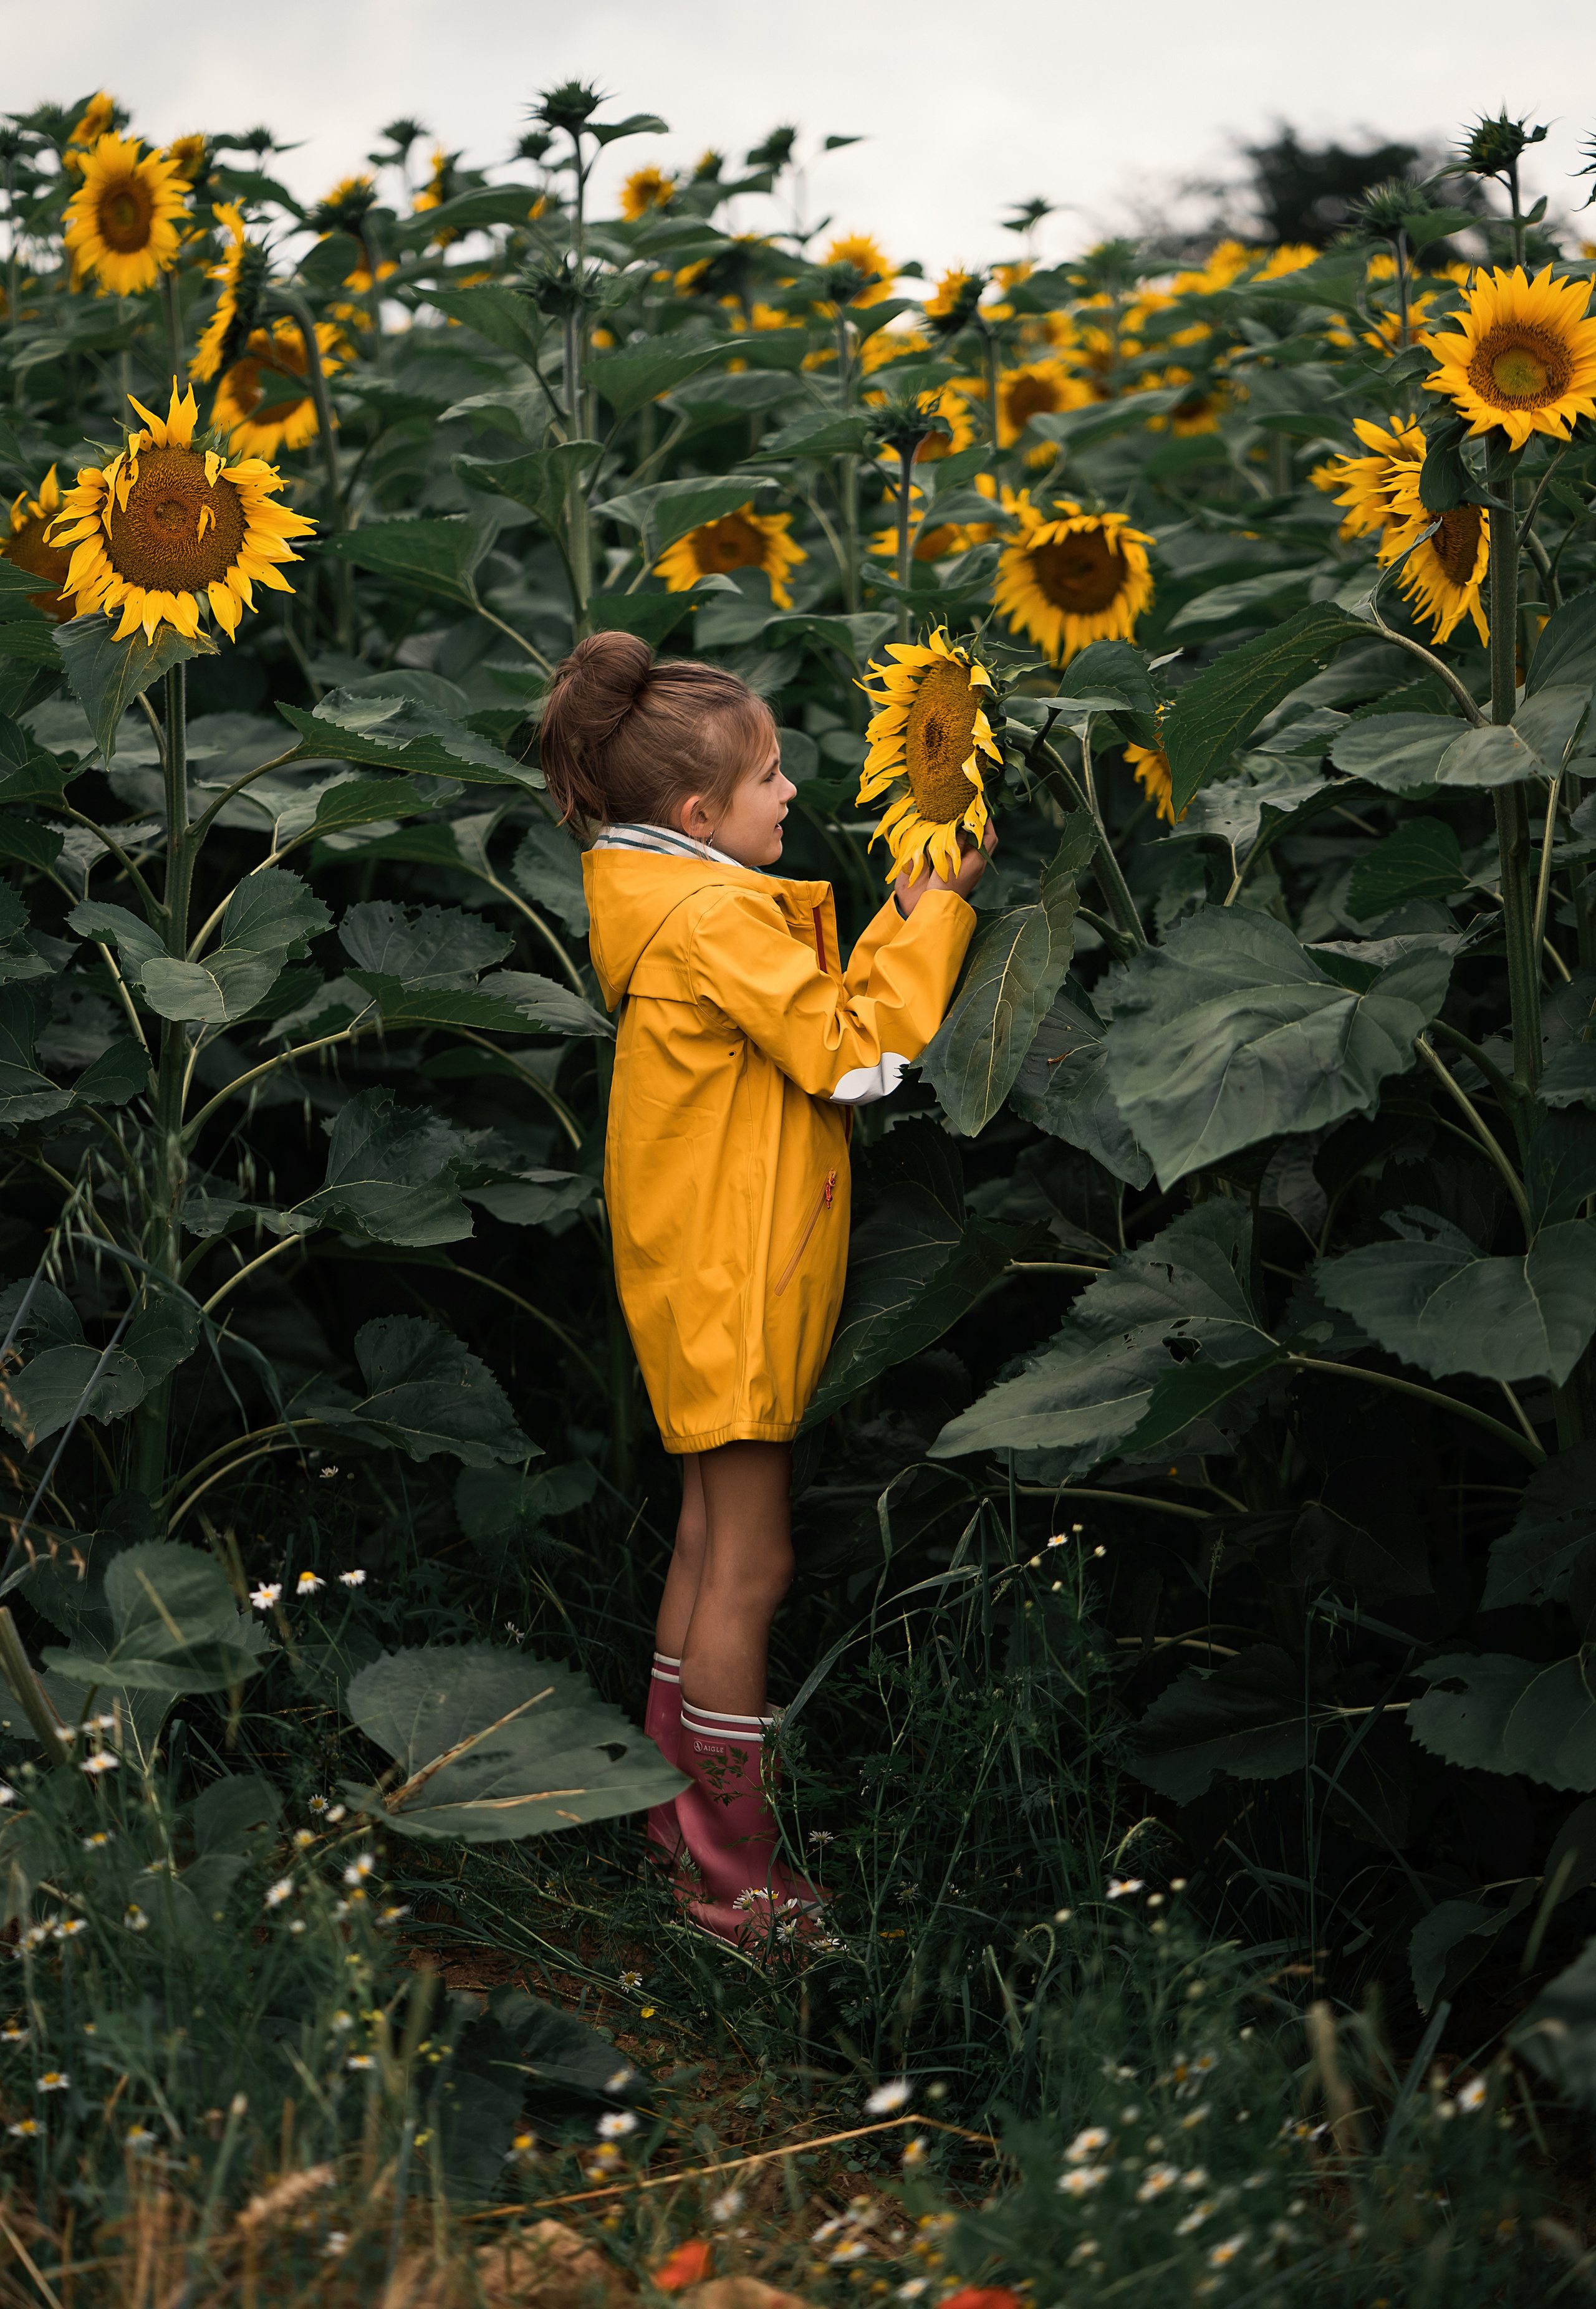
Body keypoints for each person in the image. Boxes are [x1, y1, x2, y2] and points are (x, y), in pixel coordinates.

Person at [537, 630, 993, 1951]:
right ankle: (734, 1886)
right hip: (739, 1278)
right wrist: (935, 913)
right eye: (769, 778)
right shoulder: (718, 917)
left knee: (701, 1549)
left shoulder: (655, 902)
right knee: (752, 1561)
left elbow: (794, 1018)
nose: (791, 793)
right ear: (697, 816)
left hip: (695, 1267)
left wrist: (881, 926)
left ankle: (672, 1831)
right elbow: (851, 1059)